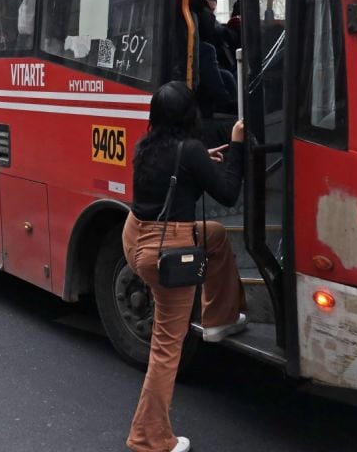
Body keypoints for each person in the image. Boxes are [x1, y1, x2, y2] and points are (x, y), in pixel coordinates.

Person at [122, 81, 247, 452]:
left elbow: (176, 169)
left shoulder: (147, 146)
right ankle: (149, 437)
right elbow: (228, 193)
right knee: (166, 348)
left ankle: (219, 317)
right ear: (190, 115)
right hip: (167, 250)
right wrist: (237, 144)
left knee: (215, 235)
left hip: (135, 238)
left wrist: (202, 160)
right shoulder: (189, 151)